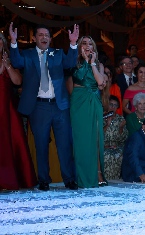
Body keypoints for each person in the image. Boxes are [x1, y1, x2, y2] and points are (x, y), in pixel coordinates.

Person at [8, 22, 78, 191]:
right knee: (41, 145)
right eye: (40, 35)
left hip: (59, 106)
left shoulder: (58, 53)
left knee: (64, 145)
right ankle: (44, 180)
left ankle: (69, 179)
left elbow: (70, 63)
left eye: (47, 35)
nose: (44, 38)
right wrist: (13, 42)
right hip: (39, 107)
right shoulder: (28, 54)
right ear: (34, 38)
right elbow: (16, 61)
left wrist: (73, 44)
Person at [0, 31, 37, 190]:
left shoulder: (10, 60)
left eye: (0, 41)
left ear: (3, 43)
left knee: (12, 140)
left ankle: (10, 180)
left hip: (7, 106)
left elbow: (17, 81)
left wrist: (7, 65)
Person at [69, 36, 107, 188]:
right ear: (79, 46)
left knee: (96, 138)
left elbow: (100, 82)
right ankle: (82, 175)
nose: (87, 46)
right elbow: (78, 78)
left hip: (94, 101)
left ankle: (97, 172)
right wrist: (85, 62)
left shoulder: (98, 64)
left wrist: (92, 64)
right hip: (79, 102)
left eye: (90, 43)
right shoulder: (73, 62)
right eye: (83, 43)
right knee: (82, 140)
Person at [103, 95, 128, 180]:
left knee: (119, 155)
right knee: (107, 155)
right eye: (111, 104)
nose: (113, 107)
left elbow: (124, 138)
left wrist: (121, 128)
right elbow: (97, 136)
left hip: (117, 147)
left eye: (115, 105)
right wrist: (107, 125)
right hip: (103, 147)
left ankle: (116, 181)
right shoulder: (101, 117)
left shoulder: (120, 119)